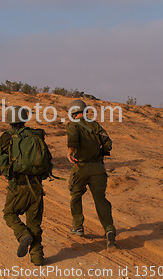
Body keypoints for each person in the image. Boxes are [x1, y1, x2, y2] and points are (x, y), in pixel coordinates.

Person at [0, 106, 52, 266]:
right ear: (24, 118)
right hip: (37, 186)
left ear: (9, 119)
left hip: (18, 186)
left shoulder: (7, 136)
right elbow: (47, 159)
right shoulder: (36, 135)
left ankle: (23, 235)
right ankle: (37, 257)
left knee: (9, 213)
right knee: (35, 223)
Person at [66, 99, 116, 251]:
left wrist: (70, 152)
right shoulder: (94, 125)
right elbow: (108, 143)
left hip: (80, 167)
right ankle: (109, 230)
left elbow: (73, 139)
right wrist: (99, 152)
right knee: (100, 199)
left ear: (72, 112)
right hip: (98, 168)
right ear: (84, 110)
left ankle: (78, 227)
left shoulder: (73, 124)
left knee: (75, 195)